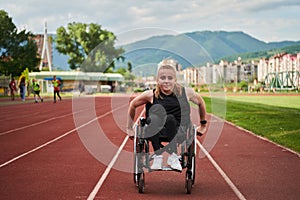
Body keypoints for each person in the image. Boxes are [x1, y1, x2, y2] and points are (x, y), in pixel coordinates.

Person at [127, 59, 207, 171]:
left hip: (180, 130)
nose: (166, 81)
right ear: (157, 80)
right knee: (154, 118)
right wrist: (129, 128)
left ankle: (173, 156)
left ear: (175, 79)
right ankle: (158, 156)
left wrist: (203, 125)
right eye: (163, 78)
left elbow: (201, 103)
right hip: (155, 130)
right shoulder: (150, 95)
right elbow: (132, 105)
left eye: (170, 78)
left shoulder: (186, 92)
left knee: (170, 119)